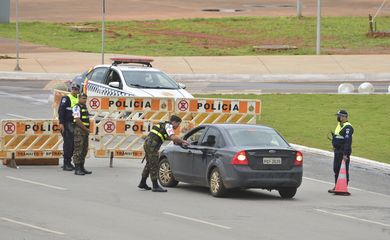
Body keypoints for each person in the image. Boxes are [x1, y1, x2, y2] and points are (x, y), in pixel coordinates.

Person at [138, 115, 189, 192]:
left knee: (149, 164)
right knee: (154, 164)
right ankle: (155, 186)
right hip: (152, 146)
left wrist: (179, 142)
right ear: (174, 122)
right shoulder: (169, 126)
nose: (178, 126)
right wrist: (183, 141)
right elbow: (173, 137)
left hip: (148, 144)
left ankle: (142, 183)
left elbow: (170, 138)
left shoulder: (163, 125)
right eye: (178, 124)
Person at [328, 109, 354, 193]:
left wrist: (345, 154)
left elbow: (348, 141)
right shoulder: (339, 125)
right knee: (336, 168)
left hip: (343, 152)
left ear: (344, 117)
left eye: (339, 116)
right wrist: (334, 145)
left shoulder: (348, 127)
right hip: (337, 151)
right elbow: (337, 136)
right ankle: (337, 186)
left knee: (343, 169)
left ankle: (343, 187)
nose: (338, 117)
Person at [58, 83, 79, 171]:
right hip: (67, 124)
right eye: (73, 89)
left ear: (78, 90)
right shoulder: (66, 98)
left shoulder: (78, 99)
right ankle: (66, 163)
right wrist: (61, 123)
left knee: (73, 145)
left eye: (76, 89)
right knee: (68, 144)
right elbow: (61, 111)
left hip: (74, 124)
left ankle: (69, 162)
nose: (74, 90)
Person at [72, 93, 92, 176]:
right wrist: (86, 129)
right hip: (79, 131)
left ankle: (82, 167)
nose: (84, 100)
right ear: (79, 98)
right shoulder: (76, 107)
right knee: (78, 150)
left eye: (85, 98)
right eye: (83, 98)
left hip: (84, 131)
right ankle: (77, 168)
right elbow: (77, 120)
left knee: (84, 150)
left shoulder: (84, 107)